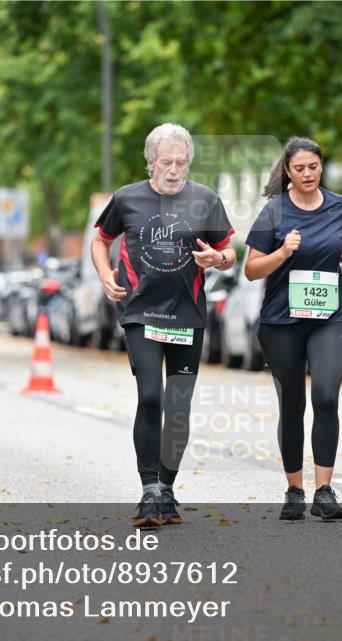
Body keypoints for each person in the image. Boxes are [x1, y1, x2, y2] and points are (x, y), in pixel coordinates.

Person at [91, 123, 236, 527]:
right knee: (151, 394)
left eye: (182, 162)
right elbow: (100, 238)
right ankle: (149, 486)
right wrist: (105, 274)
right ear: (151, 163)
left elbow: (229, 252)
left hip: (188, 315)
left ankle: (167, 488)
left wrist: (217, 260)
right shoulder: (128, 199)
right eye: (167, 162)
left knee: (178, 405)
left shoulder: (205, 200)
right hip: (141, 313)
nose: (174, 170)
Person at [244, 137, 342, 521]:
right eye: (299, 169)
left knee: (326, 396)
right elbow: (251, 269)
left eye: (313, 167)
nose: (307, 174)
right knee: (292, 404)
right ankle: (295, 490)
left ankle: (324, 491)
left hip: (329, 318)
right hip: (283, 321)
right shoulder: (274, 212)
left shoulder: (340, 206)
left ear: (321, 167)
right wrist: (282, 252)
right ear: (288, 172)